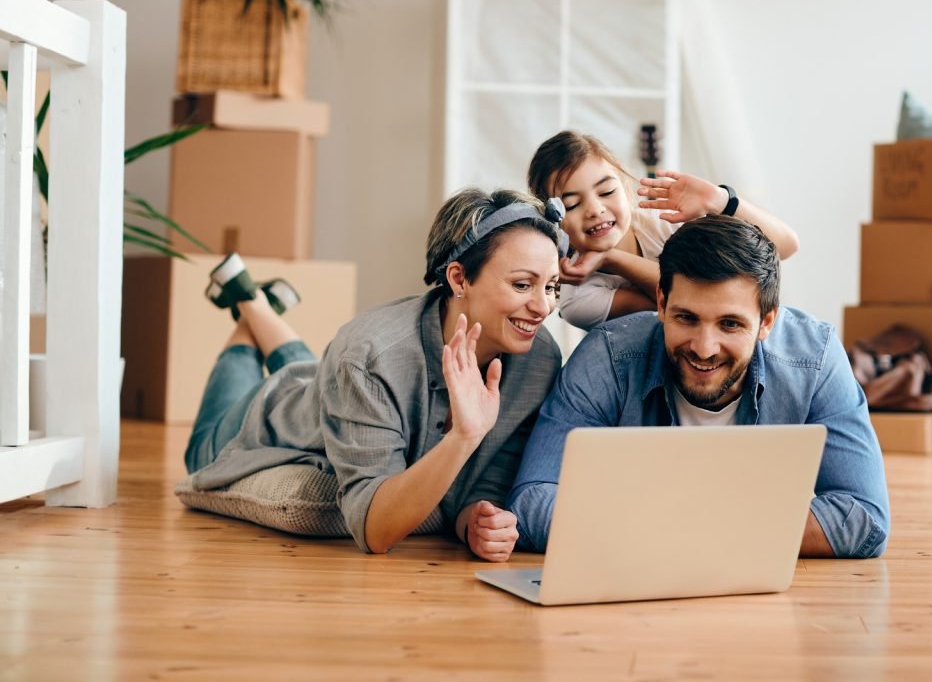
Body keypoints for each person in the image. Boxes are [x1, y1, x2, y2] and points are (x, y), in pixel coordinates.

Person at [183, 188, 566, 561]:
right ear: (458, 279)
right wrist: (464, 436)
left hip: (327, 381)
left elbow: (490, 476)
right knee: (199, 450)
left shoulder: (540, 359)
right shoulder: (370, 355)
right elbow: (376, 532)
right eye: (522, 285)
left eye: (551, 287)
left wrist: (475, 521)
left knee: (319, 372)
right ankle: (247, 304)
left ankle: (256, 304)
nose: (543, 306)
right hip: (266, 418)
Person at [509, 215, 890, 558]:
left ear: (766, 322)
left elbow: (864, 518)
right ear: (661, 303)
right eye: (687, 318)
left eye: (730, 324)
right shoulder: (608, 356)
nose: (704, 349)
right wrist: (721, 529)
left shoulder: (814, 358)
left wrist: (672, 527)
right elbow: (532, 503)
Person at [526, 130, 800, 331]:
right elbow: (688, 303)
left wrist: (720, 200)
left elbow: (785, 246)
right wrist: (612, 259)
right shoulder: (579, 300)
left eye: (607, 191)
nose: (595, 210)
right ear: (554, 219)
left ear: (626, 189)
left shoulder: (666, 219)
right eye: (572, 205)